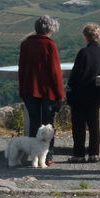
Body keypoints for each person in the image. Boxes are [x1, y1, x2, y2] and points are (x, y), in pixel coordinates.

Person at [18, 15, 65, 167]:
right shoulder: (50, 45)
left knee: (34, 124)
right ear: (50, 29)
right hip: (47, 92)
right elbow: (55, 72)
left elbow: (22, 68)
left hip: (29, 89)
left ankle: (33, 156)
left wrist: (22, 89)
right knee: (48, 125)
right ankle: (47, 156)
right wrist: (60, 94)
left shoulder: (26, 44)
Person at [66, 23, 100, 163]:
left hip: (80, 93)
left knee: (79, 126)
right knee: (94, 125)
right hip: (95, 93)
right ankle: (94, 153)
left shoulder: (83, 52)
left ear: (86, 36)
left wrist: (69, 86)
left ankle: (79, 154)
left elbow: (76, 74)